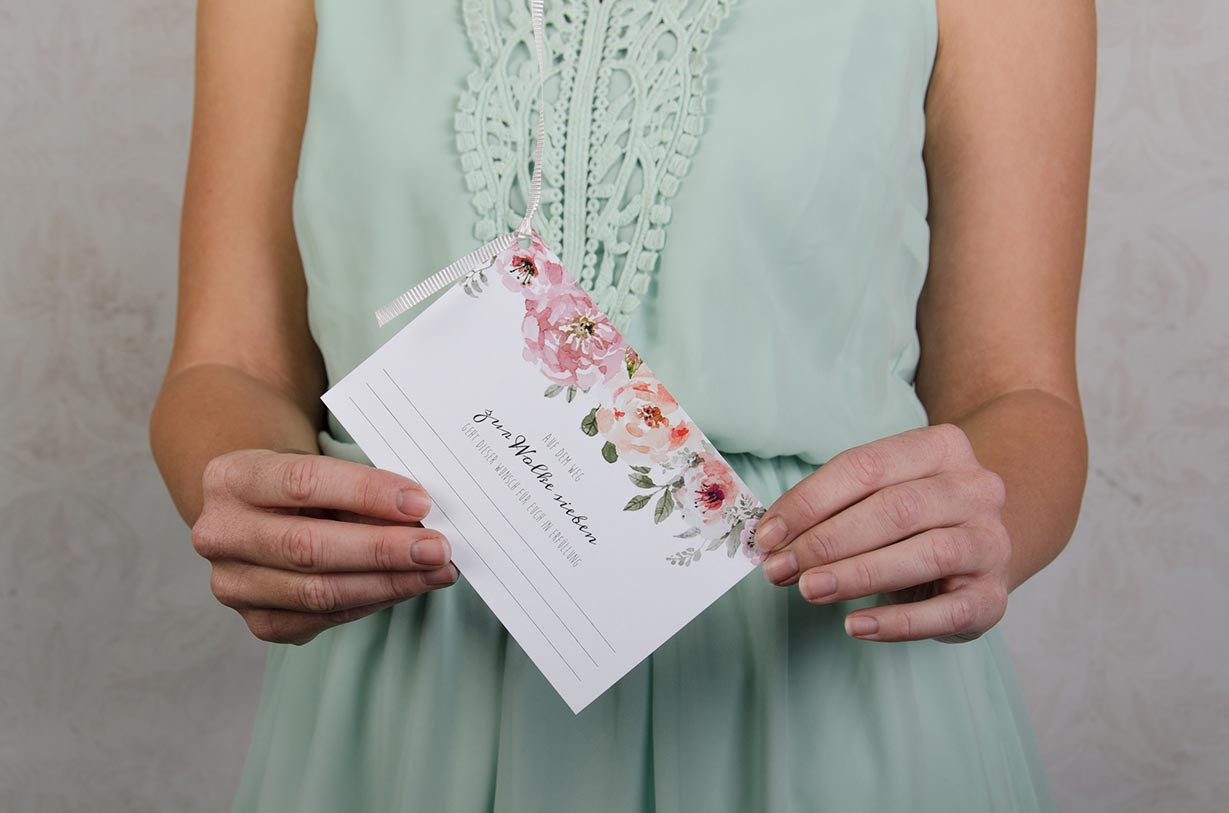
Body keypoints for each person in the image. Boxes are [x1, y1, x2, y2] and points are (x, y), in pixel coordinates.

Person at [150, 0, 1095, 810]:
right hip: (403, 679)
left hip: (817, 671)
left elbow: (1020, 392)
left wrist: (984, 519)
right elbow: (228, 363)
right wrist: (252, 498)